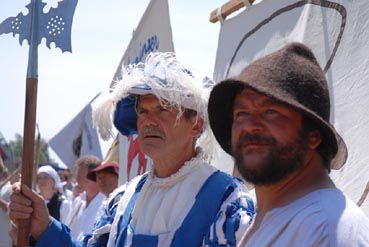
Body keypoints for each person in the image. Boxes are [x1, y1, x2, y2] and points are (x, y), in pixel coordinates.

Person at [9, 52, 255, 247]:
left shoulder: (228, 202)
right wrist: (44, 228)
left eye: (163, 109)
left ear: (196, 124)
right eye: (143, 111)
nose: (148, 120)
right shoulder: (121, 201)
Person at [207, 42, 369, 246]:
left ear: (313, 135)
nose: (249, 126)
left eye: (270, 112)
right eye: (241, 113)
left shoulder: (327, 229)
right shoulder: (272, 221)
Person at [66, 155, 105, 242]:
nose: (77, 180)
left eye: (80, 176)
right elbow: (68, 229)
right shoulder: (78, 202)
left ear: (94, 176)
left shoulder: (106, 203)